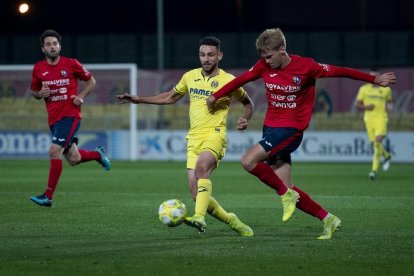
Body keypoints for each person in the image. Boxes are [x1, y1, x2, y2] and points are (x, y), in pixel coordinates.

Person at [207, 28, 396, 239]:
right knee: (288, 188)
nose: (266, 61)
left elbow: (341, 71)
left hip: (291, 129)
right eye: (263, 57)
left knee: (248, 160)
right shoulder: (263, 66)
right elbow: (240, 80)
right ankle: (328, 219)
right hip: (270, 128)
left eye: (269, 56)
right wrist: (216, 96)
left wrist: (374, 80)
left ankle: (285, 195)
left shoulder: (307, 67)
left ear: (282, 50)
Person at [117, 36, 254, 236]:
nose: (206, 59)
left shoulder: (228, 81)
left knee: (201, 169)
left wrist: (245, 118)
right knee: (196, 194)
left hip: (215, 134)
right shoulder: (190, 76)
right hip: (194, 138)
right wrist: (139, 100)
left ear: (219, 55)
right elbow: (170, 97)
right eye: (202, 55)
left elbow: (248, 102)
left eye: (210, 55)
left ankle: (199, 218)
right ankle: (231, 220)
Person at [30, 30, 111, 207]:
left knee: (54, 151)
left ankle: (48, 196)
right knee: (73, 158)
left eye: (55, 43)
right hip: (54, 119)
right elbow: (35, 91)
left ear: (60, 46)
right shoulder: (38, 68)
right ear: (43, 48)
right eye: (48, 44)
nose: (52, 47)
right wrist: (39, 94)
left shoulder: (71, 64)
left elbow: (91, 81)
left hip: (70, 115)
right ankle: (98, 154)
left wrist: (81, 96)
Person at [355, 70, 393, 180]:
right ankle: (386, 155)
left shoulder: (386, 90)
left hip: (381, 118)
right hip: (368, 120)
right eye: (371, 77)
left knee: (377, 143)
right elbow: (357, 104)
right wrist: (366, 107)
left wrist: (390, 107)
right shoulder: (364, 89)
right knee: (374, 145)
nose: (373, 79)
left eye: (375, 76)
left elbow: (390, 102)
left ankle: (373, 171)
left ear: (379, 77)